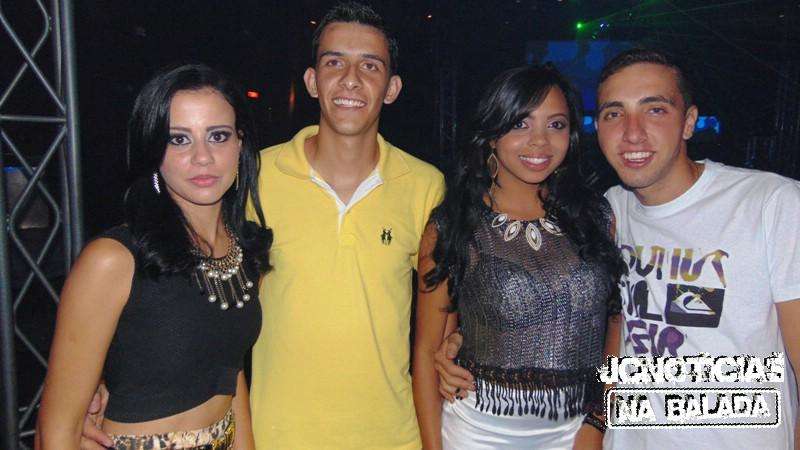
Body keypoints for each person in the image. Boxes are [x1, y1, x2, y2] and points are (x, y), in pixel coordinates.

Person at [435, 48, 800, 449]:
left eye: (655, 110)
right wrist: (465, 340)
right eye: (614, 114)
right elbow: (571, 312)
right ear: (596, 128)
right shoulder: (606, 212)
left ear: (689, 121)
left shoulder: (770, 204)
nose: (632, 132)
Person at [36, 64, 272, 450]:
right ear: (153, 150)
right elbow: (56, 430)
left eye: (218, 136)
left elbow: (231, 376)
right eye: (178, 139)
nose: (202, 157)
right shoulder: (112, 260)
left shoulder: (242, 253)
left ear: (240, 143)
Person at [245, 2, 444, 448]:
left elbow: (445, 315)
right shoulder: (256, 176)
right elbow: (207, 304)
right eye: (334, 62)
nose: (351, 79)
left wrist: (457, 343)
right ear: (312, 81)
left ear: (392, 88)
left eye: (370, 66)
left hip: (392, 438)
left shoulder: (425, 186)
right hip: (278, 437)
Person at [412, 65, 625, 450]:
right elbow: (427, 352)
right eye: (520, 124)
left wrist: (598, 421)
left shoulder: (597, 216)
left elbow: (616, 325)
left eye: (556, 125)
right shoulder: (452, 225)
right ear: (492, 135)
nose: (540, 141)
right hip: (478, 433)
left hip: (578, 432)